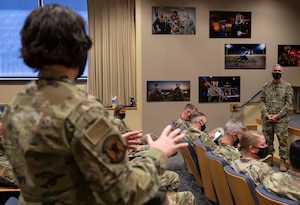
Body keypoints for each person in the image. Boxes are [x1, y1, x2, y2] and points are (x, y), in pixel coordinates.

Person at [1, 4, 190, 205]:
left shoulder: (15, 106)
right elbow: (126, 192)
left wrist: (100, 149)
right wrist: (158, 153)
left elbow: (50, 167)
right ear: (79, 48)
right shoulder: (83, 109)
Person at [260, 64, 294, 171]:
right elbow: (262, 102)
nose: (277, 72)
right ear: (271, 72)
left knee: (282, 141)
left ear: (282, 73)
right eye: (275, 70)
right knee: (267, 140)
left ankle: (283, 161)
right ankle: (269, 159)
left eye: (279, 71)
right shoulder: (266, 86)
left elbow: (288, 104)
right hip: (267, 119)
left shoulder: (287, 86)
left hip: (281, 120)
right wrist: (266, 114)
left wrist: (278, 116)